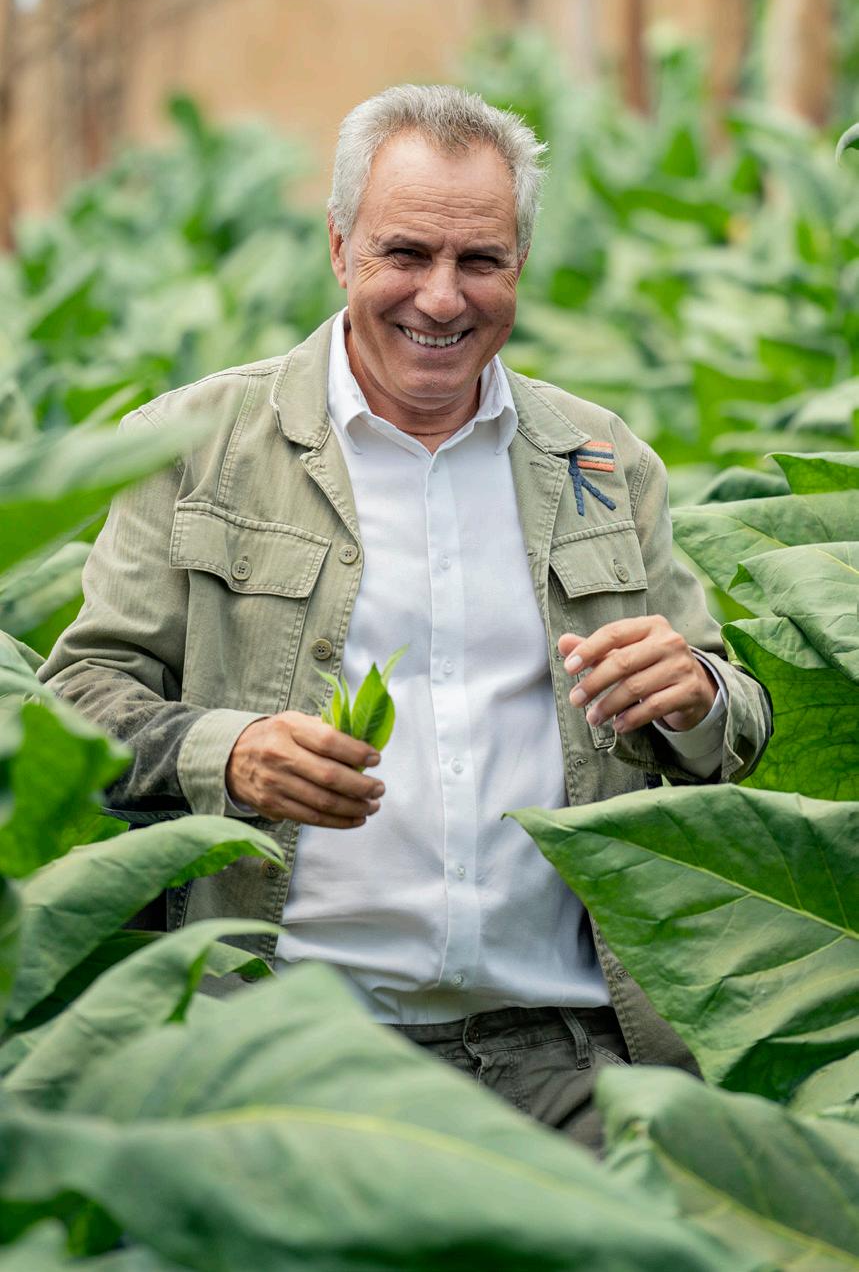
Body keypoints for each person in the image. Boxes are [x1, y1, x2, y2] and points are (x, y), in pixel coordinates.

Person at [38, 85, 771, 1150]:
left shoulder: (600, 460)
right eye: (406, 253)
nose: (440, 296)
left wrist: (697, 697)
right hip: (286, 1041)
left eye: (480, 261)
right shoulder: (194, 445)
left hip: (564, 1053)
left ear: (519, 263)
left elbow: (734, 723)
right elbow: (72, 702)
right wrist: (226, 752)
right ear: (340, 248)